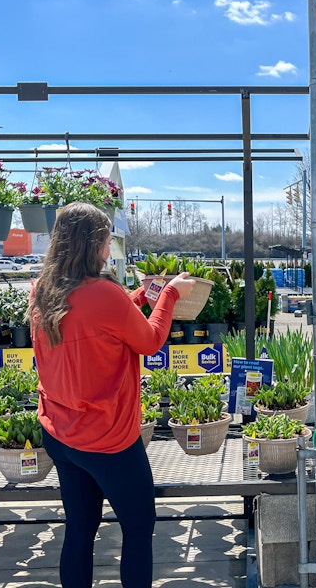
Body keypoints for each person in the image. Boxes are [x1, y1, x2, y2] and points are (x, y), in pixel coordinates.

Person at [29, 202, 195, 588]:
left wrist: (137, 296)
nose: (109, 249)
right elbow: (150, 341)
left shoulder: (43, 290)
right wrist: (169, 294)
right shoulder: (103, 293)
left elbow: (93, 319)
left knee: (80, 530)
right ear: (94, 245)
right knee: (138, 528)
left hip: (60, 433)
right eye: (107, 241)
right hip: (106, 441)